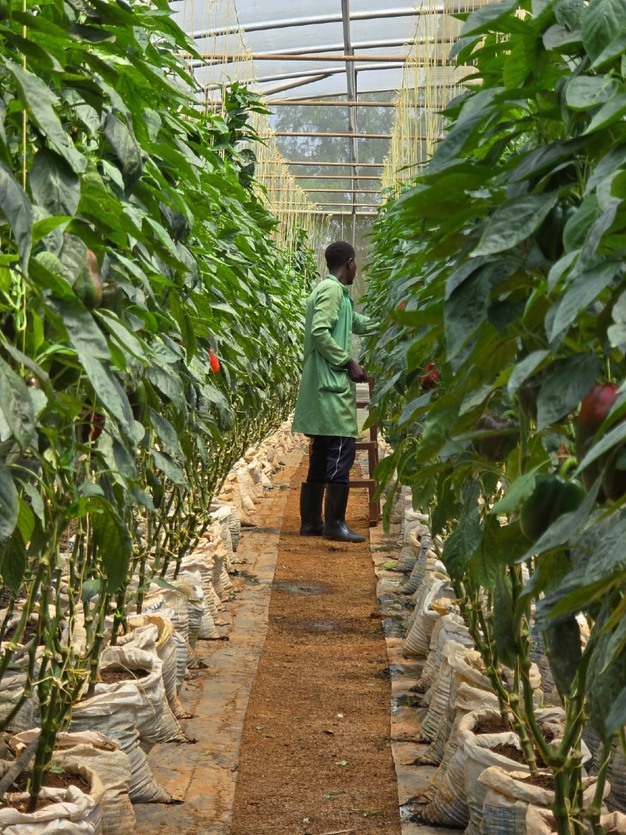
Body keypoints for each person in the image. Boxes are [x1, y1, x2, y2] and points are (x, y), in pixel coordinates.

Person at [292, 241, 374, 543]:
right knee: (341, 449)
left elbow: (356, 323)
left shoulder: (335, 293)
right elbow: (319, 332)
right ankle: (335, 524)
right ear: (350, 263)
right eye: (356, 265)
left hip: (325, 385)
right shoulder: (331, 291)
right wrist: (347, 361)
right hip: (330, 385)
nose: (356, 269)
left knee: (322, 451)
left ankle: (312, 521)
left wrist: (391, 321)